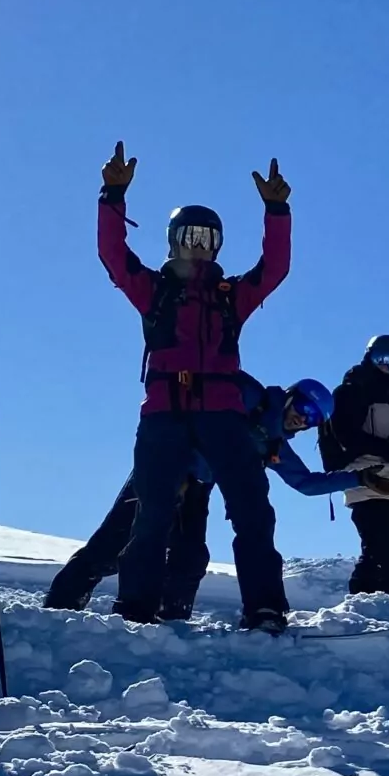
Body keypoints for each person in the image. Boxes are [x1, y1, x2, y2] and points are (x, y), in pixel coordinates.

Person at [96, 142, 296, 632]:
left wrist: (277, 211)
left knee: (252, 508)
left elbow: (274, 270)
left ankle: (265, 606)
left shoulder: (231, 297)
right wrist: (112, 197)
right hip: (164, 411)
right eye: (189, 236)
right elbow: (113, 255)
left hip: (222, 413)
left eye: (208, 238)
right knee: (153, 510)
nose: (199, 245)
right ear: (172, 241)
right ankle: (136, 605)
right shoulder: (155, 291)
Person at [43, 378, 377, 617]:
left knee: (189, 555)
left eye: (315, 419)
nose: (304, 419)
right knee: (115, 542)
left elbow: (304, 482)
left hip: (197, 487)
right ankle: (64, 599)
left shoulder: (273, 443)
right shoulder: (247, 396)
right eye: (305, 407)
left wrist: (358, 478)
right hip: (164, 468)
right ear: (290, 396)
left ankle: (171, 615)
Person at [324, 334, 389, 598]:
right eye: (381, 358)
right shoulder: (351, 392)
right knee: (378, 554)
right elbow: (348, 436)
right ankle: (361, 610)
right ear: (368, 356)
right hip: (370, 482)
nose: (387, 367)